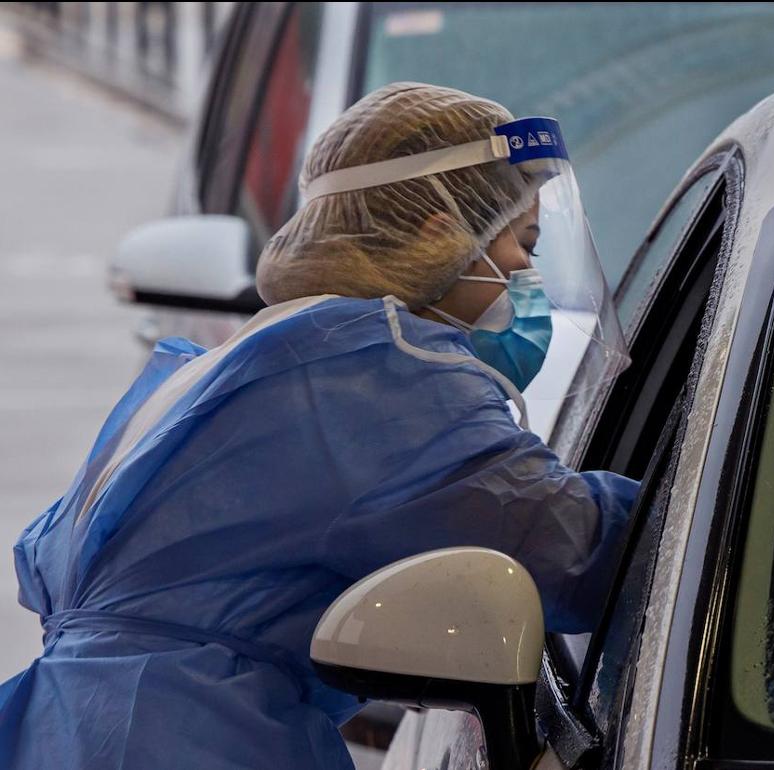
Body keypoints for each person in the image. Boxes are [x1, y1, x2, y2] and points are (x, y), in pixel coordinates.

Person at [0, 83, 638, 769]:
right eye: (524, 241)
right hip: (190, 739)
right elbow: (571, 552)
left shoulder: (249, 362)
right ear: (439, 233)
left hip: (68, 733)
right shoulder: (373, 374)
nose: (526, 273)